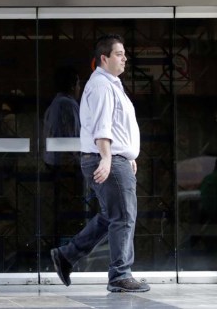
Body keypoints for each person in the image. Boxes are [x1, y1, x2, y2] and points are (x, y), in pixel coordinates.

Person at [50, 34, 151, 293]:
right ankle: (120, 275)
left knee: (111, 216)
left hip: (115, 158)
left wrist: (128, 155)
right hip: (107, 158)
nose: (125, 58)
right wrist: (109, 158)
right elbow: (102, 125)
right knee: (124, 217)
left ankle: (67, 255)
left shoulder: (110, 84)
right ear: (103, 59)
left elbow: (116, 126)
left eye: (124, 54)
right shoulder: (103, 85)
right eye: (119, 54)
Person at [43, 66, 82, 246]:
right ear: (73, 84)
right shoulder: (68, 104)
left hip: (54, 164)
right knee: (72, 212)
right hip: (66, 166)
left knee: (60, 211)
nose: (80, 88)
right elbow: (74, 138)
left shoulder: (54, 104)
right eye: (79, 83)